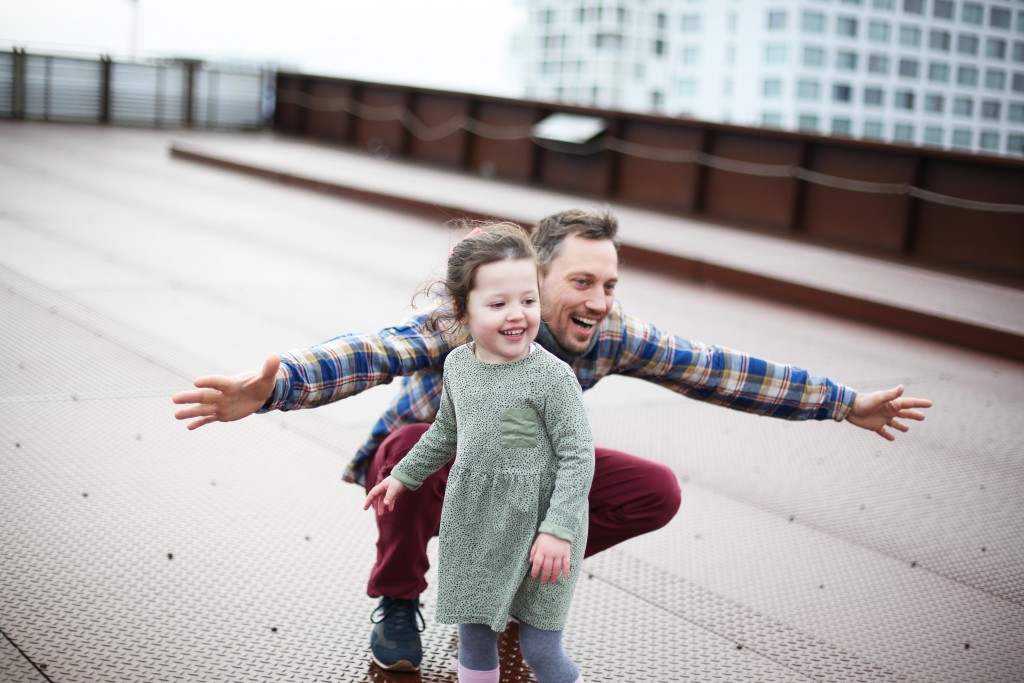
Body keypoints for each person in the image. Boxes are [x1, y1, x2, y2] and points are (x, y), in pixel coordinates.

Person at [171, 208, 933, 673]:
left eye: (610, 284)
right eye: (582, 283)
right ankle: (399, 602)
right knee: (406, 446)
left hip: (522, 481)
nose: (599, 301)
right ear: (535, 275)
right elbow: (373, 349)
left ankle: (517, 580)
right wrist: (277, 388)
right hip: (439, 472)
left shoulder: (608, 333)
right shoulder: (463, 320)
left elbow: (723, 370)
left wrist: (842, 403)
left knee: (654, 488)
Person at [364, 223, 593, 683]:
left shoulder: (552, 378)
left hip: (541, 528)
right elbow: (447, 431)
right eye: (498, 303)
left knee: (540, 647)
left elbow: (577, 456)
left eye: (528, 300)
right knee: (474, 637)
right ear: (461, 311)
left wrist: (558, 529)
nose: (517, 315)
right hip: (476, 521)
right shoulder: (459, 366)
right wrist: (403, 476)